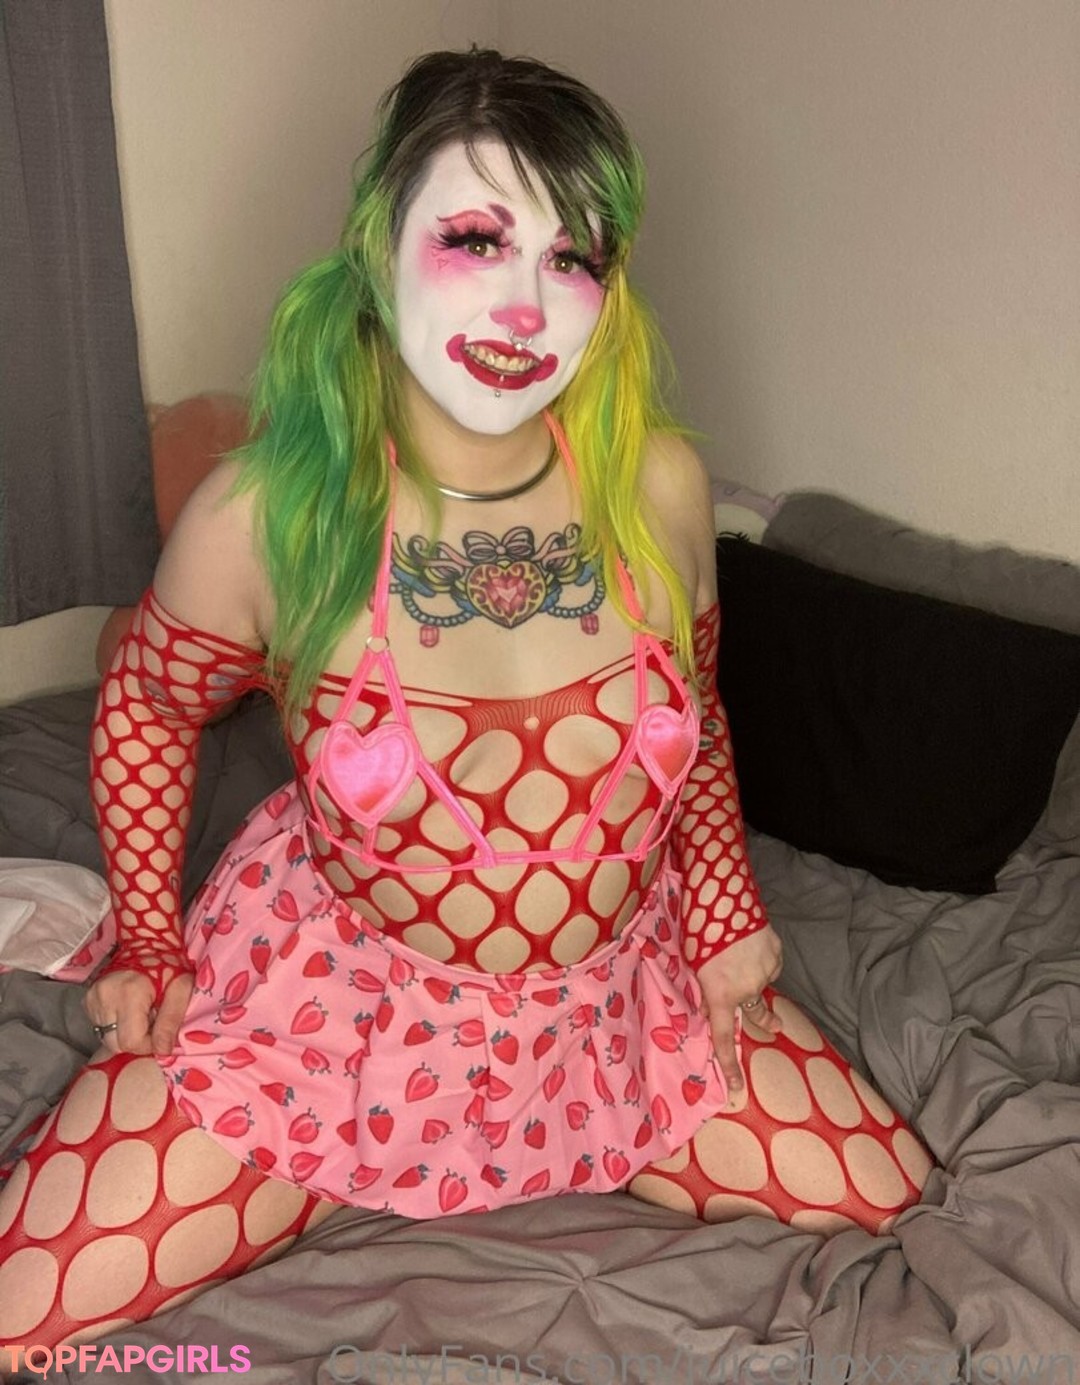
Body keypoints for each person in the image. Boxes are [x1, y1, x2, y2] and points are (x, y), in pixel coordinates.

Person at [0, 49, 931, 1363]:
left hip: (617, 1013)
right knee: (16, 1310)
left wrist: (725, 912)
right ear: (378, 246)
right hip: (327, 1030)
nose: (526, 304)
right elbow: (149, 703)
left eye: (571, 256)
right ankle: (335, 1157)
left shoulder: (660, 487)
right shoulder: (265, 518)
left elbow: (699, 712)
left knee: (899, 1197)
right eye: (478, 239)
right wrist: (150, 940)